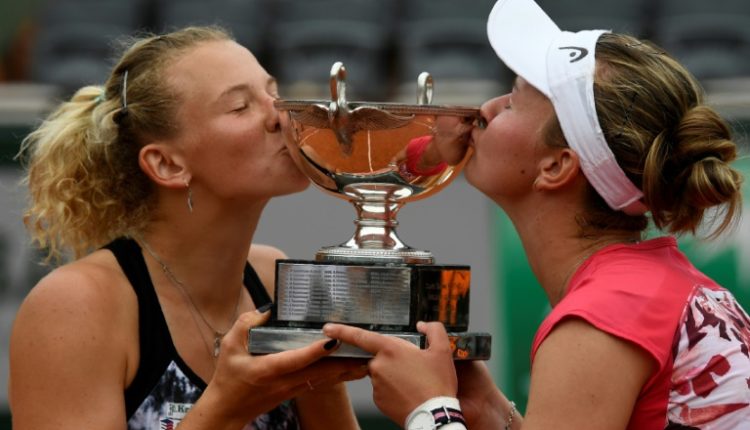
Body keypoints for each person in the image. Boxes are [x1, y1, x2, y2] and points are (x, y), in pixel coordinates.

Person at [322, 0, 750, 429]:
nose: (486, 109)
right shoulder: (649, 290)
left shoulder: (602, 317)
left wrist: (429, 411)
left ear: (556, 167)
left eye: (512, 101)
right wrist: (495, 414)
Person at [9, 26, 366, 430]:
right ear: (167, 164)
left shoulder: (273, 278)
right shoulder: (75, 305)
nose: (282, 115)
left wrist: (324, 380)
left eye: (274, 92)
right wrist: (227, 407)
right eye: (240, 107)